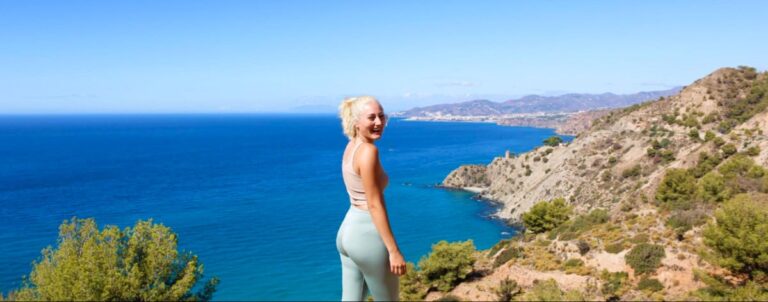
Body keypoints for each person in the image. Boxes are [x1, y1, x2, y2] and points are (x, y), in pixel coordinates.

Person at [336, 96, 406, 301]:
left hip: (347, 231)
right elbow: (374, 204)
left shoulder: (352, 146)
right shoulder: (368, 151)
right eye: (371, 117)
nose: (378, 122)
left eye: (381, 116)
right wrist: (393, 251)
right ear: (356, 122)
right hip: (367, 236)